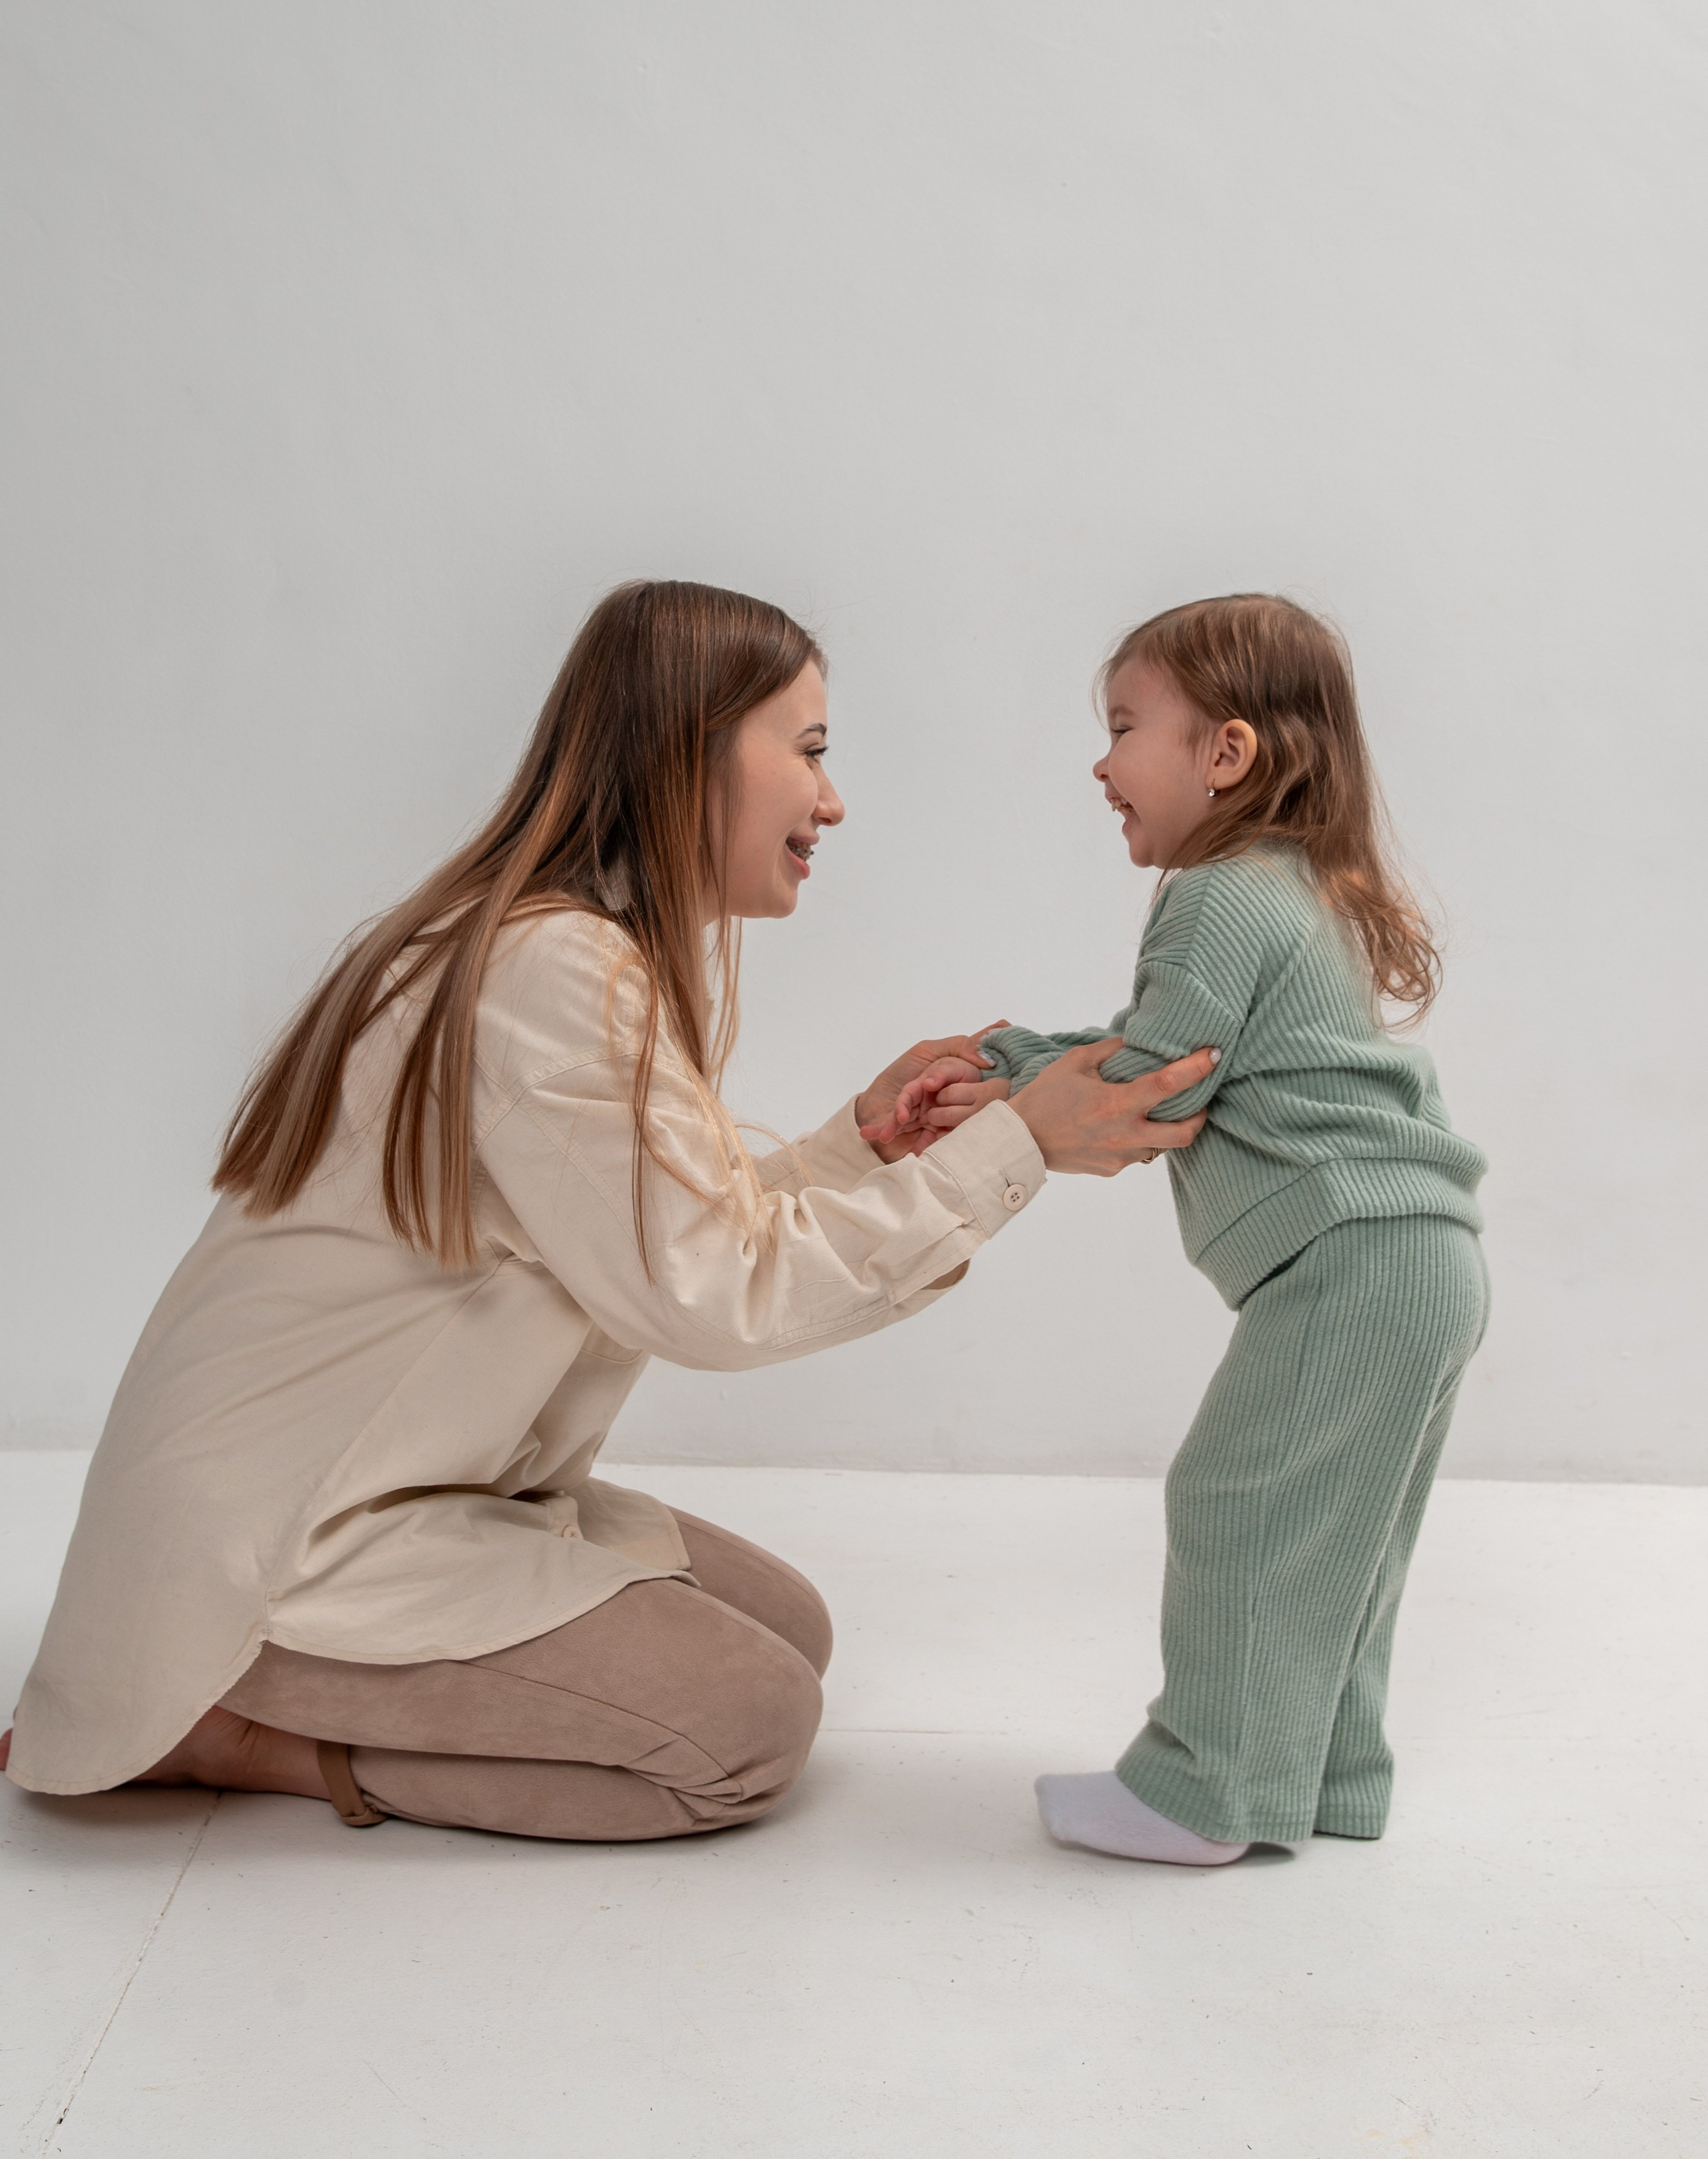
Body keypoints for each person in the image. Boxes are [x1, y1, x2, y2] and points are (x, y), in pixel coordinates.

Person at [3, 579, 1213, 1843]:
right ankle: (244, 1731)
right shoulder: (550, 971)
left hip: (398, 1493)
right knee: (746, 1733)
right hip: (276, 1546)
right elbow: (712, 1294)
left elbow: (656, 1230)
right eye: (808, 752)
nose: (832, 799)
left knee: (792, 1627)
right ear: (693, 749)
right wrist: (1018, 1145)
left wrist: (863, 1146)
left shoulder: (564, 949)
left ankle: (291, 1691)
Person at [869, 594, 1488, 1865]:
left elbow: (1157, 1081)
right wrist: (1021, 1059)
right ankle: (1325, 1776)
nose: (1102, 765)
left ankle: (1202, 1790)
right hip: (1421, 1253)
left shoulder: (1214, 892)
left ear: (1228, 752)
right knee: (1348, 1533)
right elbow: (1170, 1048)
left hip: (1352, 1256)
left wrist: (1006, 1087)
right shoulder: (1290, 888)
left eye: (1124, 727)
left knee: (1241, 1499)